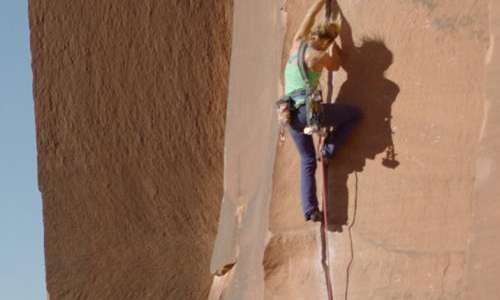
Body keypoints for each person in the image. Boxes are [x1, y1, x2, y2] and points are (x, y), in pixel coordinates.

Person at [278, 0, 361, 222]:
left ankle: (310, 210)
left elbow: (310, 14)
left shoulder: (297, 43)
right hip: (308, 112)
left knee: (306, 159)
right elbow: (336, 64)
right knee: (353, 115)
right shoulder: (318, 55)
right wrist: (333, 46)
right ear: (325, 41)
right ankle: (329, 149)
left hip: (288, 112)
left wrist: (322, 4)